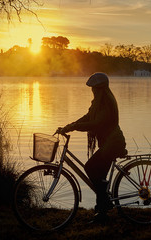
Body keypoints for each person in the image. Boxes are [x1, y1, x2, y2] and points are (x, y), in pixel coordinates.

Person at [59, 72, 127, 223]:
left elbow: (96, 123)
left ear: (100, 88)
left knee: (90, 167)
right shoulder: (98, 102)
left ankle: (104, 203)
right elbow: (88, 117)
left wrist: (75, 127)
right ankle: (102, 212)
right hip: (108, 143)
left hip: (113, 144)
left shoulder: (106, 103)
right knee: (99, 176)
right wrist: (69, 126)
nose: (92, 91)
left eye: (94, 88)